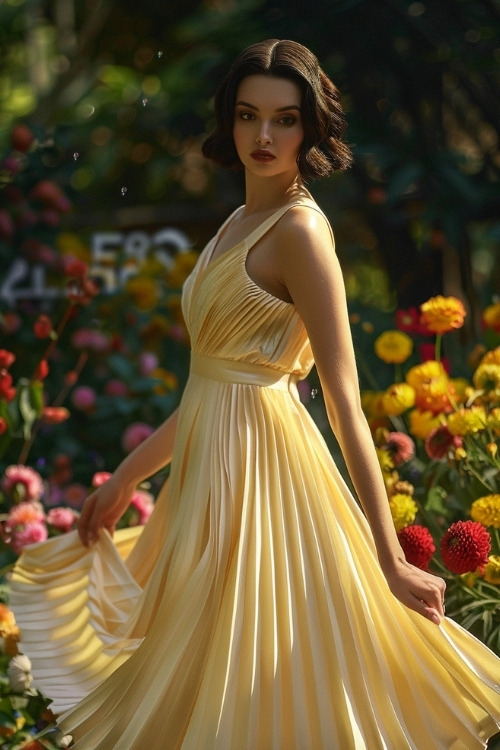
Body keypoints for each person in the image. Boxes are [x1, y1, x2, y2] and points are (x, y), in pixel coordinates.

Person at [10, 39, 500, 750]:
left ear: (311, 128)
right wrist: (124, 479)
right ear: (229, 122)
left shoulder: (300, 231)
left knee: (261, 685)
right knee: (208, 687)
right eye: (247, 116)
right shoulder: (236, 224)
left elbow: (343, 402)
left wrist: (389, 555)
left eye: (285, 119)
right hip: (211, 482)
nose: (263, 137)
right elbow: (212, 382)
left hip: (267, 483)